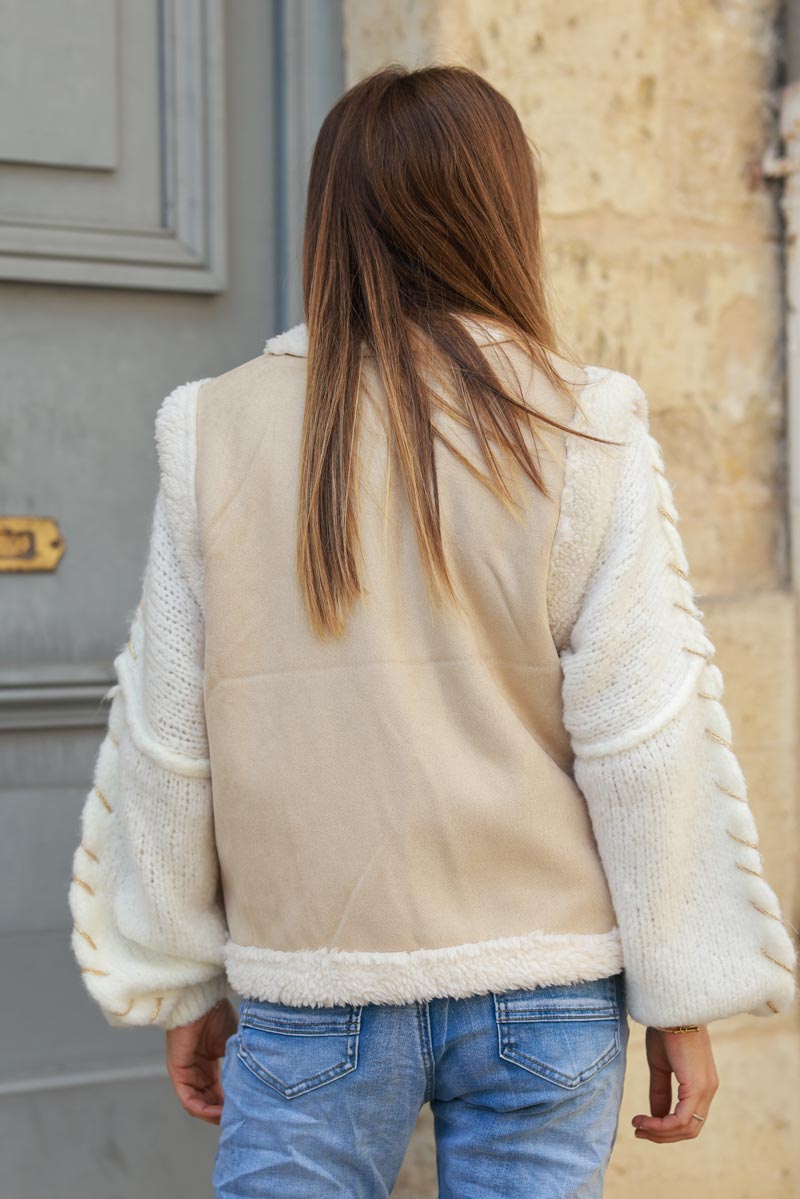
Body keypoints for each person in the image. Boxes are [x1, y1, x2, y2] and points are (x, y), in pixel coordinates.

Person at [68, 63, 798, 1198]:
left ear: (331, 215)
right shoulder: (579, 424)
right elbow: (636, 737)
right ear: (500, 210)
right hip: (543, 982)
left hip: (309, 982)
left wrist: (175, 976)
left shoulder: (212, 427)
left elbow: (172, 733)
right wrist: (680, 992)